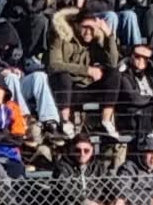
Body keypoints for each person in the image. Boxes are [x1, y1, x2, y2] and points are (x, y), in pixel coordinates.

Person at [48, 9, 122, 139]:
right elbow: (54, 65)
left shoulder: (97, 39)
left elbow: (113, 63)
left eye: (91, 28)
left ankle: (106, 120)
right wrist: (87, 70)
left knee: (114, 73)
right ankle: (65, 121)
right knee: (63, 76)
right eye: (84, 27)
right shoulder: (61, 36)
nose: (88, 32)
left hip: (88, 87)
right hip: (67, 89)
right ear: (76, 25)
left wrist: (109, 35)